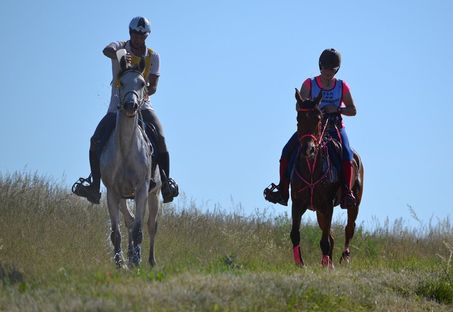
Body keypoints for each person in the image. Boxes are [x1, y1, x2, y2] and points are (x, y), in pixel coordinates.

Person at [73, 16, 179, 204]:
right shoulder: (121, 47)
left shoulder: (153, 56)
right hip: (117, 106)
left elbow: (154, 86)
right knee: (95, 140)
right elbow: (107, 50)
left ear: (146, 36)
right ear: (130, 33)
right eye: (136, 34)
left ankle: (166, 183)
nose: (138, 38)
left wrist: (143, 90)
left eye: (142, 35)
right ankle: (94, 186)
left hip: (143, 105)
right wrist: (118, 54)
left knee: (160, 137)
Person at [264, 48, 357, 208]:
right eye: (325, 69)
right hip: (311, 127)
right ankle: (283, 190)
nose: (328, 73)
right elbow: (298, 105)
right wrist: (312, 109)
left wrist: (337, 109)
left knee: (347, 154)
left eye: (332, 70)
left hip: (334, 126)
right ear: (320, 67)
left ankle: (347, 192)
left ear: (337, 70)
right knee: (287, 151)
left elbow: (353, 110)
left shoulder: (342, 86)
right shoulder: (309, 83)